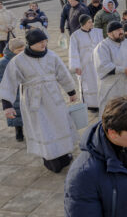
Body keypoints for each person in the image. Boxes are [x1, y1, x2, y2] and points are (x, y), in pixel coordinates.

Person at [0, 29, 78, 172]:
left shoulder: (52, 56)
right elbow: (9, 82)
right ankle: (50, 159)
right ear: (31, 44)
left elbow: (63, 74)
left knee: (60, 124)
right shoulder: (18, 61)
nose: (44, 44)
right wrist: (7, 105)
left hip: (54, 97)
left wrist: (71, 91)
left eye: (45, 41)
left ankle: (64, 155)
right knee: (43, 128)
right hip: (33, 101)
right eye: (40, 42)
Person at [93, 22, 127, 115]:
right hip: (113, 87)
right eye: (118, 30)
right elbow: (102, 66)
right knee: (114, 113)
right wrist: (123, 70)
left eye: (121, 29)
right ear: (109, 33)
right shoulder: (102, 47)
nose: (121, 32)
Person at [69, 15, 103, 111]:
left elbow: (102, 46)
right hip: (85, 65)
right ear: (83, 23)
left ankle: (102, 101)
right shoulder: (75, 36)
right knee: (88, 84)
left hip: (97, 63)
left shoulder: (97, 32)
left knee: (99, 83)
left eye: (91, 21)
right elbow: (73, 52)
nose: (92, 23)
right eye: (89, 22)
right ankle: (91, 104)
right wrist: (76, 66)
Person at [0, 38, 25, 141]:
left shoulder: (25, 58)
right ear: (12, 50)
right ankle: (18, 130)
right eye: (19, 50)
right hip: (12, 90)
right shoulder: (3, 63)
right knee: (16, 112)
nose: (22, 52)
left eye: (23, 49)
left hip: (24, 88)